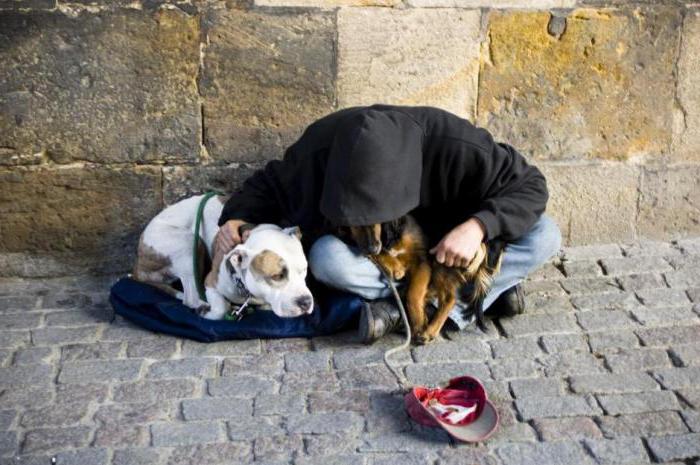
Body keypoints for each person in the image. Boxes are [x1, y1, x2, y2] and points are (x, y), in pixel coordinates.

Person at [215, 104, 562, 343]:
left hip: (450, 250)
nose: (369, 233)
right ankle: (475, 298)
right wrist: (235, 220)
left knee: (545, 235)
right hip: (384, 266)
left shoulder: (455, 144)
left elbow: (531, 186)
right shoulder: (320, 147)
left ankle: (403, 311)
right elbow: (268, 185)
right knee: (326, 259)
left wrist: (478, 227)